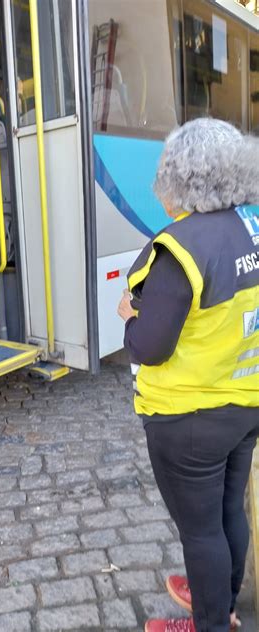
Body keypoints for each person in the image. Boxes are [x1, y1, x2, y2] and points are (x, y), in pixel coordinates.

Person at [117, 118, 259, 632]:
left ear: (178, 177)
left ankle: (210, 622)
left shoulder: (180, 247)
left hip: (188, 416)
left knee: (200, 532)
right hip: (246, 404)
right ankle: (219, 601)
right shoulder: (253, 226)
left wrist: (130, 317)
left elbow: (150, 348)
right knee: (228, 513)